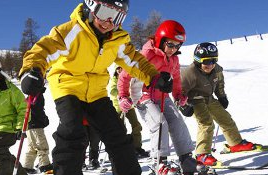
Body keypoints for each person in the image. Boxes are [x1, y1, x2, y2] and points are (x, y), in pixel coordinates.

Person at [18, 1, 173, 174]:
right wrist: (31, 71)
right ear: (90, 6)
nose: (109, 21)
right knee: (72, 133)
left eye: (117, 16)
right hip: (68, 86)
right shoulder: (72, 31)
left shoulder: (117, 39)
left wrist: (154, 76)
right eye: (105, 11)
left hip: (97, 92)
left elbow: (135, 60)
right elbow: (43, 50)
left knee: (117, 135)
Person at [117, 20, 201, 174]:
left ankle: (186, 158)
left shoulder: (174, 58)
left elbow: (175, 79)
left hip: (163, 96)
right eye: (170, 44)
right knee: (159, 122)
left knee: (177, 121)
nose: (173, 49)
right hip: (143, 96)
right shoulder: (146, 54)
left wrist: (178, 96)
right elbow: (124, 76)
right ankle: (159, 162)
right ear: (161, 40)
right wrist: (123, 96)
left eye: (177, 46)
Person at [180, 42, 255, 166]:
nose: (211, 64)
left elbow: (219, 83)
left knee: (225, 118)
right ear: (198, 60)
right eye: (207, 61)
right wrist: (182, 105)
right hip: (194, 99)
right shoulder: (189, 73)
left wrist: (222, 96)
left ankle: (235, 143)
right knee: (206, 123)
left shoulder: (217, 69)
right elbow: (179, 90)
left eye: (213, 60)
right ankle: (202, 154)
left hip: (209, 97)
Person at [109, 66, 149, 158]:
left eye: (121, 68)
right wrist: (122, 94)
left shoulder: (129, 78)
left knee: (136, 126)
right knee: (121, 128)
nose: (120, 70)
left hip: (130, 106)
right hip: (119, 107)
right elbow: (112, 91)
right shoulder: (115, 79)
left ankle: (137, 147)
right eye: (118, 68)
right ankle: (122, 149)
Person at [22, 89, 53, 174]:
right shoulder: (36, 94)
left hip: (30, 125)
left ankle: (27, 166)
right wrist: (44, 120)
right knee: (41, 146)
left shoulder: (31, 94)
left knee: (32, 147)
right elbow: (37, 110)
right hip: (35, 125)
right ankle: (45, 165)